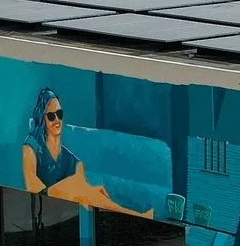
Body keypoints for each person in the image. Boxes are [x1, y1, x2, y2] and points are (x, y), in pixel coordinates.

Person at [20, 87, 148, 215]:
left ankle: (131, 213)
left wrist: (89, 190)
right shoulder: (31, 145)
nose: (57, 120)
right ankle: (136, 215)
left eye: (59, 114)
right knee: (79, 187)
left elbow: (79, 174)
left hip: (62, 197)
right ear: (42, 118)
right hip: (46, 195)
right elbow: (32, 184)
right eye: (51, 116)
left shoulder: (66, 156)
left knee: (90, 189)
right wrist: (63, 189)